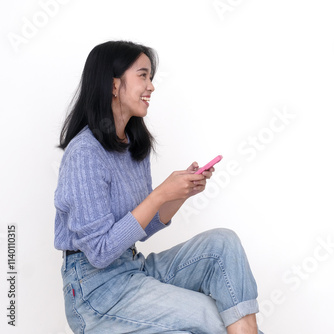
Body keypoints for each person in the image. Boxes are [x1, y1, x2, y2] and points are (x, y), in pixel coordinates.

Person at [54, 40, 263, 334]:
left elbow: (141, 226)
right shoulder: (85, 154)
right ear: (114, 85)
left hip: (131, 268)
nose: (151, 86)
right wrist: (160, 194)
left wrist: (180, 194)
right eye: (143, 75)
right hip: (95, 291)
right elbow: (100, 252)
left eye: (151, 77)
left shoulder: (134, 146)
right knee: (211, 316)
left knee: (222, 243)